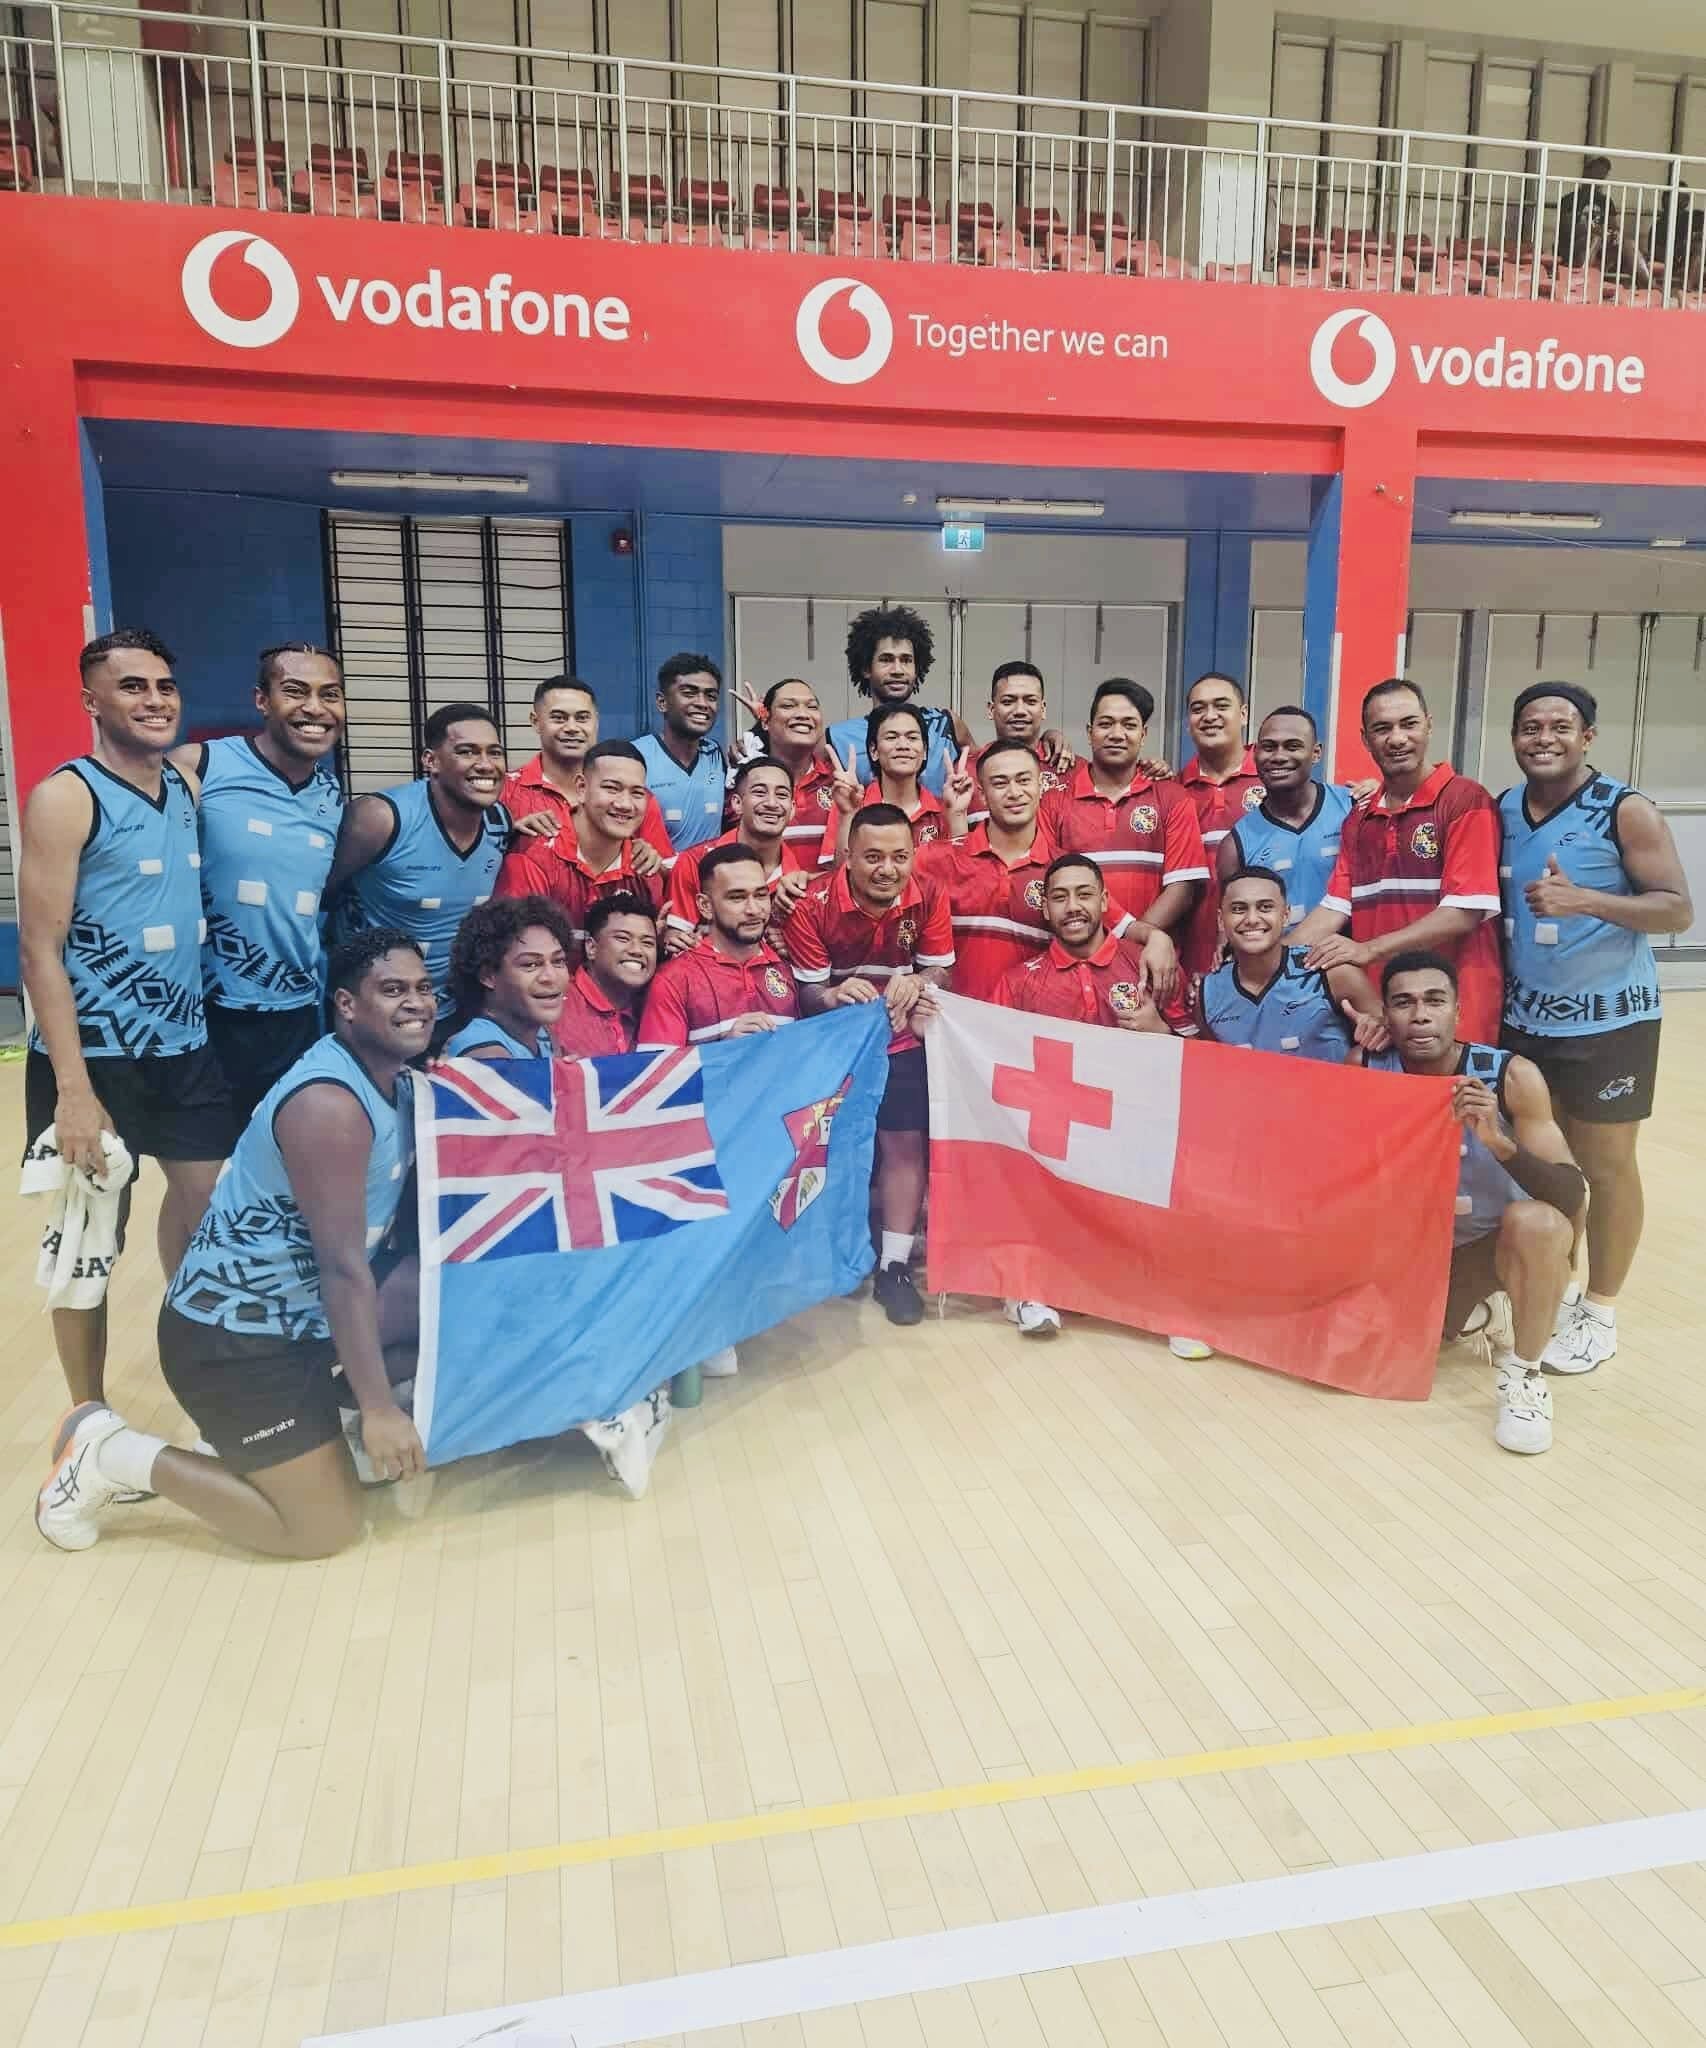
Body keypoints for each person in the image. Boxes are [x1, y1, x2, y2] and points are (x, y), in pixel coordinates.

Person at [36, 931, 433, 1557]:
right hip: (235, 1344)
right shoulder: (329, 1106)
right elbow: (342, 1270)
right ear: (347, 1005)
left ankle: (292, 1439)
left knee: (441, 1305)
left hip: (296, 1327)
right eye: (392, 990)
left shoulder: (396, 1081)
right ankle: (111, 1454)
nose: (416, 1002)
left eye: (423, 987)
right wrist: (381, 1409)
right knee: (323, 1530)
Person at [19, 627, 236, 1411]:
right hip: (94, 1061)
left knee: (211, 1211)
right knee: (89, 1245)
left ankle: (211, 1383)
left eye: (164, 686)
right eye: (133, 687)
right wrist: (73, 1092)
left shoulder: (185, 786)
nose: (154, 700)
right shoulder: (67, 796)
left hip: (185, 1049)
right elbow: (39, 951)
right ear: (92, 701)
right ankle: (86, 1422)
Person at [1498, 682, 1691, 1374]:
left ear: (1587, 738)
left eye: (1560, 726)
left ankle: (1601, 1312)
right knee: (1543, 1166)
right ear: (1514, 738)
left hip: (1610, 1023)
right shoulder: (1502, 809)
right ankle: (1555, 1286)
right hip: (1525, 1021)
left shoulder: (1624, 809)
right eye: (1530, 727)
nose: (1544, 738)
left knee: (1606, 1168)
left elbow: (1676, 909)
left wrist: (1584, 900)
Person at [1357, 952, 1585, 1456]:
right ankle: (1479, 1313)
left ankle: (1525, 1377)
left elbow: (1572, 1194)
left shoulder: (1510, 1075)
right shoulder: (1367, 1069)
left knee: (1540, 1224)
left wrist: (1500, 1144)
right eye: (1404, 1003)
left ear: (1458, 1011)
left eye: (1434, 1001)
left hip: (1485, 1247)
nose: (1420, 1015)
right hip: (1412, 1258)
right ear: (1385, 1014)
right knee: (1386, 1351)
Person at [991, 854, 1197, 1350]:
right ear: (1045, 909)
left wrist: (1160, 1031)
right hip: (1056, 1141)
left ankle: (1168, 1305)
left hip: (1135, 1135)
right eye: (1059, 897)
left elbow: (1200, 1065)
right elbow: (990, 1065)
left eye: (1084, 894)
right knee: (1016, 1170)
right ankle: (1029, 1289)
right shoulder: (1019, 981)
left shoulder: (1149, 964)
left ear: (1106, 901)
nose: (1073, 907)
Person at [783, 804, 955, 1326]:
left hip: (900, 1043)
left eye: (900, 856)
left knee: (905, 1146)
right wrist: (834, 996)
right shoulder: (811, 905)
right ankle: (825, 1258)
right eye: (873, 857)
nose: (888, 869)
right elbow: (809, 993)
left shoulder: (929, 893)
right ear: (848, 857)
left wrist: (920, 982)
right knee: (826, 1153)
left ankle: (894, 1267)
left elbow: (940, 971)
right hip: (833, 1050)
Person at [171, 642, 347, 1122]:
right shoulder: (198, 765)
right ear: (262, 701)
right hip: (207, 1011)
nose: (315, 708)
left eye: (330, 694)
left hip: (295, 1013)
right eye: (295, 691)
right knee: (206, 1159)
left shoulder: (331, 795)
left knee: (283, 1149)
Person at [1293, 680, 1504, 1042]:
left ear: (1429, 726)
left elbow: (1463, 912)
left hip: (1457, 1015)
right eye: (1382, 728)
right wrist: (1258, 964)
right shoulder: (1358, 821)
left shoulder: (1465, 800)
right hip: (1384, 1013)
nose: (1397, 738)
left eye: (1409, 724)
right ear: (1366, 739)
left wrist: (1368, 950)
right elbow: (1334, 909)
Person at [928, 738, 1181, 1008]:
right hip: (955, 1024)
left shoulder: (1065, 872)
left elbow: (1124, 927)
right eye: (1000, 783)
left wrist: (1157, 937)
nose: (1014, 792)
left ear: (1041, 787)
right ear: (981, 793)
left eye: (1024, 780)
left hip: (1031, 1022)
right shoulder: (936, 859)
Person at [324, 702, 511, 1012]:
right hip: (374, 1008)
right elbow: (322, 895)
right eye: (467, 752)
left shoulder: (501, 822)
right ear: (431, 760)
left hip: (451, 1005)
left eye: (494, 752)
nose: (485, 764)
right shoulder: (381, 818)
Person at [1039, 678, 1210, 943]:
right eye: (1106, 724)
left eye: (1129, 725)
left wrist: (1128, 946)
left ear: (1143, 734)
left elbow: (1181, 889)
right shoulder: (1054, 802)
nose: (1117, 734)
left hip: (1150, 956)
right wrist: (1105, 949)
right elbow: (1054, 888)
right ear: (1089, 732)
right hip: (1077, 956)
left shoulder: (1173, 797)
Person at [1198, 866, 1386, 1060]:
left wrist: (1381, 1030)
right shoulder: (1207, 993)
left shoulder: (1331, 972)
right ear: (1221, 920)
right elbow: (1212, 1066)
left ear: (1286, 915)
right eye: (1238, 909)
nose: (1252, 919)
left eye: (1265, 907)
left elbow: (1392, 1042)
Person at [494, 739, 667, 942]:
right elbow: (516, 949)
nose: (625, 804)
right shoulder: (534, 856)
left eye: (637, 793)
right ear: (582, 788)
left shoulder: (644, 868)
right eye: (612, 788)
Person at [500, 674, 673, 865]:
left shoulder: (636, 799)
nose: (572, 727)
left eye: (582, 718)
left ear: (596, 721)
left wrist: (652, 861)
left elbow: (666, 871)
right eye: (558, 718)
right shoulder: (504, 791)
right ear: (535, 721)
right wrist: (508, 836)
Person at [663, 755, 822, 953]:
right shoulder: (695, 861)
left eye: (782, 795)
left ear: (792, 809)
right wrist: (696, 941)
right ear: (737, 803)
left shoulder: (799, 882)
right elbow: (675, 942)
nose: (771, 803)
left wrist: (792, 947)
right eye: (759, 792)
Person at [1220, 705, 1356, 926]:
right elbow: (1233, 929)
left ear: (1316, 753)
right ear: (1255, 753)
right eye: (1269, 747)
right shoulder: (1236, 844)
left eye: (1293, 746)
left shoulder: (1353, 807)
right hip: (1280, 949)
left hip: (1353, 948)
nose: (1279, 756)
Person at [827, 605, 970, 795]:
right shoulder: (838, 737)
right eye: (886, 660)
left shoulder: (946, 723)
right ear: (866, 668)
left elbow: (989, 769)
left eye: (906, 660)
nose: (897, 670)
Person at [441, 895, 576, 1059]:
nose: (551, 977)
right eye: (530, 964)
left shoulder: (543, 1036)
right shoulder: (485, 1053)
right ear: (488, 976)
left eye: (558, 961)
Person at [733, 677, 843, 860]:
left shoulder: (840, 783)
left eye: (812, 706)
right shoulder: (743, 781)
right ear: (765, 721)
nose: (803, 714)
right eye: (788, 706)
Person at [634, 652, 728, 855]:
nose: (702, 703)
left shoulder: (716, 754)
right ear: (662, 702)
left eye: (711, 696)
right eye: (689, 693)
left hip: (710, 874)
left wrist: (763, 723)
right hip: (656, 874)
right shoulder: (634, 757)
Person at [964, 661, 1073, 824]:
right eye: (1008, 701)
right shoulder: (965, 773)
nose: (1020, 711)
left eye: (1030, 701)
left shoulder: (1070, 767)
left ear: (1043, 709)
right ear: (991, 710)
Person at [554, 895, 660, 1054]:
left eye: (647, 943)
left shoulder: (659, 1001)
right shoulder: (554, 1003)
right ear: (591, 948)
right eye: (623, 938)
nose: (637, 950)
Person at [856, 702, 948, 847]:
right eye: (891, 737)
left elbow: (959, 860)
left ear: (924, 751)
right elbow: (841, 861)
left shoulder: (945, 811)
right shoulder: (852, 805)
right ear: (874, 751)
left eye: (912, 738)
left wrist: (958, 816)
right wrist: (847, 814)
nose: (903, 746)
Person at [1555, 155, 1651, 286]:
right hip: (1574, 246)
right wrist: (1596, 231)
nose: (1600, 177)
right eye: (1597, 172)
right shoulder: (1569, 200)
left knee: (1629, 243)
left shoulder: (1606, 201)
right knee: (1595, 238)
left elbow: (1614, 227)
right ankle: (1581, 282)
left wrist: (1615, 234)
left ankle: (1647, 286)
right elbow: (1567, 229)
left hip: (1603, 247)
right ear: (1586, 172)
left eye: (1603, 174)